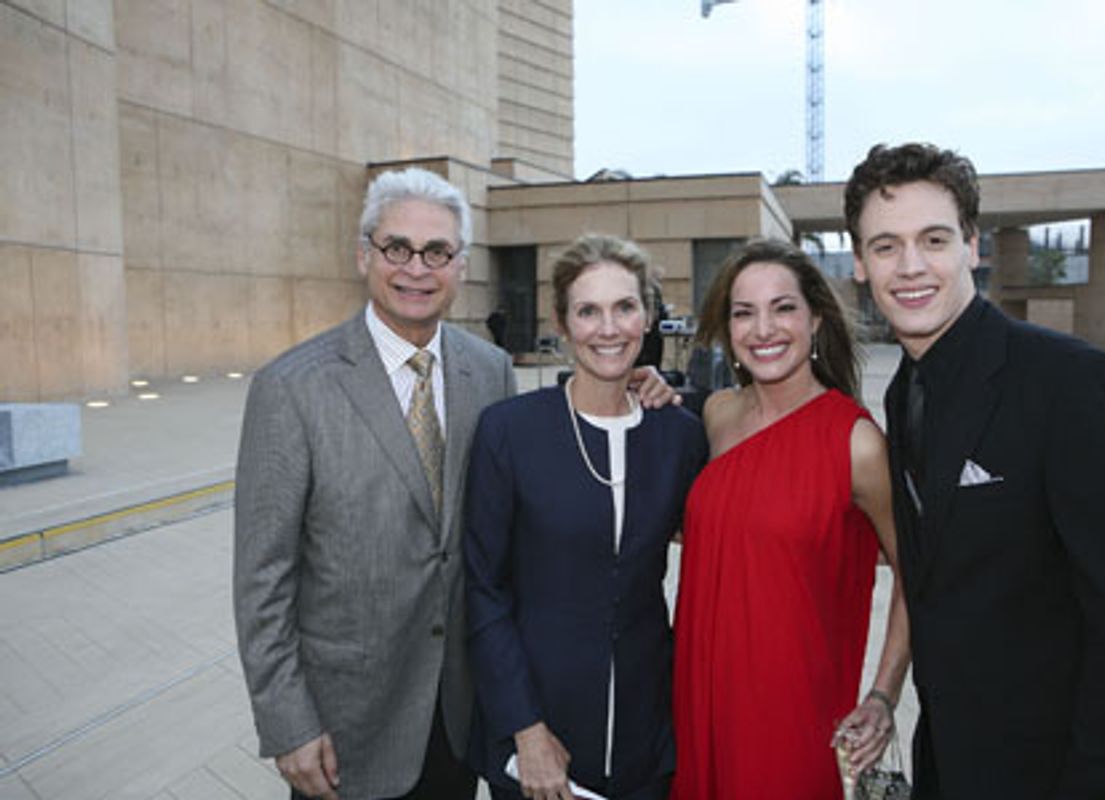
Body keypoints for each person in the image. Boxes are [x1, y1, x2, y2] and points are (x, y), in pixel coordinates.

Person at [234, 169, 676, 800]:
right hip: (346, 729)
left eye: (437, 251)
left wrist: (633, 384)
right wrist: (287, 721)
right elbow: (261, 577)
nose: (417, 267)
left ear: (460, 265)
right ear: (364, 254)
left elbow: (541, 473)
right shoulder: (292, 389)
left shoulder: (488, 372)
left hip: (464, 717)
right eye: (397, 247)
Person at [844, 142, 1105, 799]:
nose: (911, 266)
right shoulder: (904, 392)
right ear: (860, 264)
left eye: (934, 239)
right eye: (886, 246)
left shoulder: (1069, 381)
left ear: (972, 246)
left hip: (1078, 775)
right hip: (962, 762)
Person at [465, 234, 708, 800]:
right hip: (541, 737)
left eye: (624, 307)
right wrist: (525, 730)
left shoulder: (678, 435)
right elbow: (483, 590)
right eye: (588, 311)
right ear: (563, 321)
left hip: (647, 740)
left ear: (647, 315)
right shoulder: (509, 431)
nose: (608, 328)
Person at [671, 238, 911, 800]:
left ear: (815, 319)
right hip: (697, 698)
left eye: (782, 308)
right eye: (744, 312)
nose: (763, 329)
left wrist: (883, 693)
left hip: (793, 711)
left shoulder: (855, 443)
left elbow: (916, 572)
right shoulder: (715, 414)